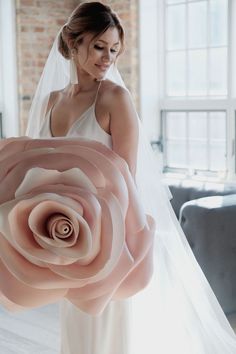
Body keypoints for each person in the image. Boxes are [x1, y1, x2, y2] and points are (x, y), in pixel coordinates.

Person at [26, 2, 236, 354]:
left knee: (106, 329)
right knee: (75, 325)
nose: (108, 58)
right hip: (63, 232)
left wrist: (104, 239)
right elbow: (38, 172)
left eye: (114, 50)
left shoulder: (115, 99)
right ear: (74, 43)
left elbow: (125, 178)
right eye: (99, 47)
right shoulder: (49, 102)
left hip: (106, 234)